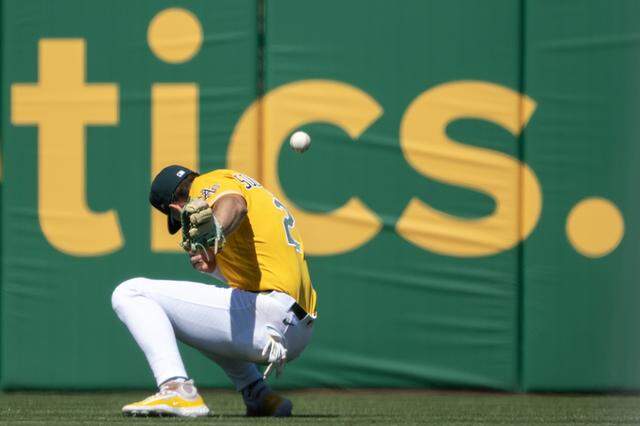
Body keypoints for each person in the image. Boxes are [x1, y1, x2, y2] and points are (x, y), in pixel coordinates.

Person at [111, 165, 317, 417]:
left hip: (273, 315)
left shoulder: (208, 183)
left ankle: (175, 387)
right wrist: (215, 267)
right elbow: (255, 274)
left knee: (129, 292)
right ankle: (258, 394)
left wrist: (214, 232)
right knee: (195, 319)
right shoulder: (247, 188)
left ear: (176, 208)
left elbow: (234, 205)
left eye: (176, 219)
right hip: (294, 326)